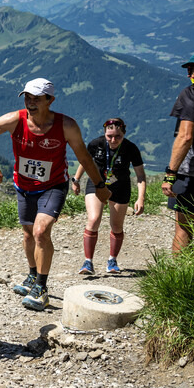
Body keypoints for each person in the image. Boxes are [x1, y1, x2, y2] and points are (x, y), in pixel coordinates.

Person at [0, 78, 110, 311]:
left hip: (53, 185)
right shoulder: (16, 120)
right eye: (27, 97)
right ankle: (32, 275)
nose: (30, 103)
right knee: (28, 234)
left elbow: (84, 157)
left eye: (36, 99)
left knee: (41, 231)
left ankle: (41, 288)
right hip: (23, 187)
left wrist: (100, 186)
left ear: (50, 100)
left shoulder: (66, 125)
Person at [71, 118, 146, 275]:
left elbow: (140, 175)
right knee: (93, 219)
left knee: (116, 226)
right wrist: (76, 180)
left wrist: (141, 198)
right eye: (109, 136)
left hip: (121, 187)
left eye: (117, 136)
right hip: (97, 183)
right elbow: (85, 162)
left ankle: (112, 260)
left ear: (124, 134)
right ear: (104, 133)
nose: (113, 140)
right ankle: (88, 262)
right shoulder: (95, 144)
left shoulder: (131, 148)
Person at [162, 49, 194, 252]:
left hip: (191, 173)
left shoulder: (191, 94)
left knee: (184, 227)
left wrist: (171, 173)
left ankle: (180, 277)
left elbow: (185, 136)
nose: (189, 75)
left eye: (191, 69)